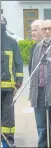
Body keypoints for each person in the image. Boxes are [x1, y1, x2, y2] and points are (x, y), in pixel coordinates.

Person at [1, 15, 24, 147]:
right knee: (7, 116)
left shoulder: (12, 42)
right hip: (9, 87)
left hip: (8, 88)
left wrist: (18, 82)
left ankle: (7, 142)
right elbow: (19, 64)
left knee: (7, 118)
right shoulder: (11, 41)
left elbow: (18, 64)